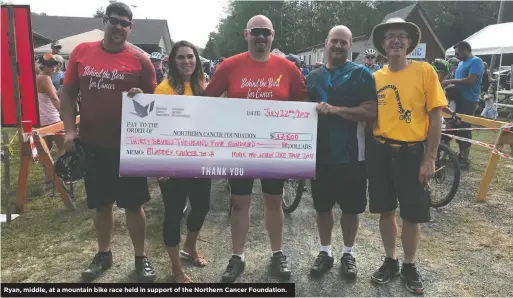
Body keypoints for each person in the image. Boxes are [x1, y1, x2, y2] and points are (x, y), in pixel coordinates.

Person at [205, 14, 307, 283]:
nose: (261, 36)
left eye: (266, 32)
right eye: (256, 31)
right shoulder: (229, 66)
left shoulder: (288, 69)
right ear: (245, 34)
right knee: (239, 204)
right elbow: (206, 100)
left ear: (273, 35)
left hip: (274, 148)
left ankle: (277, 253)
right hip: (240, 147)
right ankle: (237, 256)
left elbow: (302, 107)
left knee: (274, 201)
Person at [60, 2, 157, 283]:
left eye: (124, 23)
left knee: (134, 205)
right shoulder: (81, 52)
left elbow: (156, 102)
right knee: (102, 205)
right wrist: (69, 131)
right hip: (92, 144)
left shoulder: (141, 59)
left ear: (131, 27)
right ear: (105, 21)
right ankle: (104, 253)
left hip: (129, 146)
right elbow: (67, 94)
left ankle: (141, 258)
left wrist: (143, 98)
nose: (118, 27)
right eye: (113, 21)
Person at [367, 18, 447, 294]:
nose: (396, 41)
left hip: (413, 153)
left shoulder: (425, 71)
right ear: (383, 44)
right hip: (380, 151)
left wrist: (430, 157)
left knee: (411, 215)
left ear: (411, 43)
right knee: (385, 210)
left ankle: (410, 265)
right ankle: (391, 260)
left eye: (402, 36)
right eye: (390, 37)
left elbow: (436, 117)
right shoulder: (375, 78)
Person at [128, 40, 211, 283]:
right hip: (172, 163)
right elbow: (155, 127)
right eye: (181, 57)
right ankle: (176, 269)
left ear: (197, 60)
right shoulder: (164, 89)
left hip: (198, 158)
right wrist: (160, 164)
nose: (187, 61)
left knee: (202, 206)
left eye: (190, 56)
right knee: (173, 213)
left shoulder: (202, 85)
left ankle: (190, 246)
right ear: (172, 62)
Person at [306, 26, 377, 279]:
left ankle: (348, 253)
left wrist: (336, 110)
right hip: (320, 156)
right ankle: (325, 252)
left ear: (350, 46)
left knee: (350, 209)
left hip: (352, 156)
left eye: (343, 42)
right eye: (334, 41)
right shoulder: (313, 77)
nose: (338, 46)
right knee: (323, 208)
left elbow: (370, 111)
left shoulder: (362, 74)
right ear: (326, 43)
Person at [442, 41, 484, 169]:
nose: (457, 55)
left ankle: (464, 159)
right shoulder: (461, 63)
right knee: (457, 127)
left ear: (465, 50)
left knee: (465, 128)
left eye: (458, 53)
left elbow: (471, 80)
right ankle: (459, 155)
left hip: (469, 99)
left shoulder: (476, 61)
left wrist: (450, 81)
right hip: (458, 99)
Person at [36, 53, 65, 179]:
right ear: (43, 66)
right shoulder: (45, 79)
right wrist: (64, 114)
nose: (53, 68)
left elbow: (48, 96)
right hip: (52, 118)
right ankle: (58, 173)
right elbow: (53, 98)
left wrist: (59, 91)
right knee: (63, 146)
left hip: (42, 118)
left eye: (54, 65)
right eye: (50, 65)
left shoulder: (37, 78)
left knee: (46, 150)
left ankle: (49, 177)